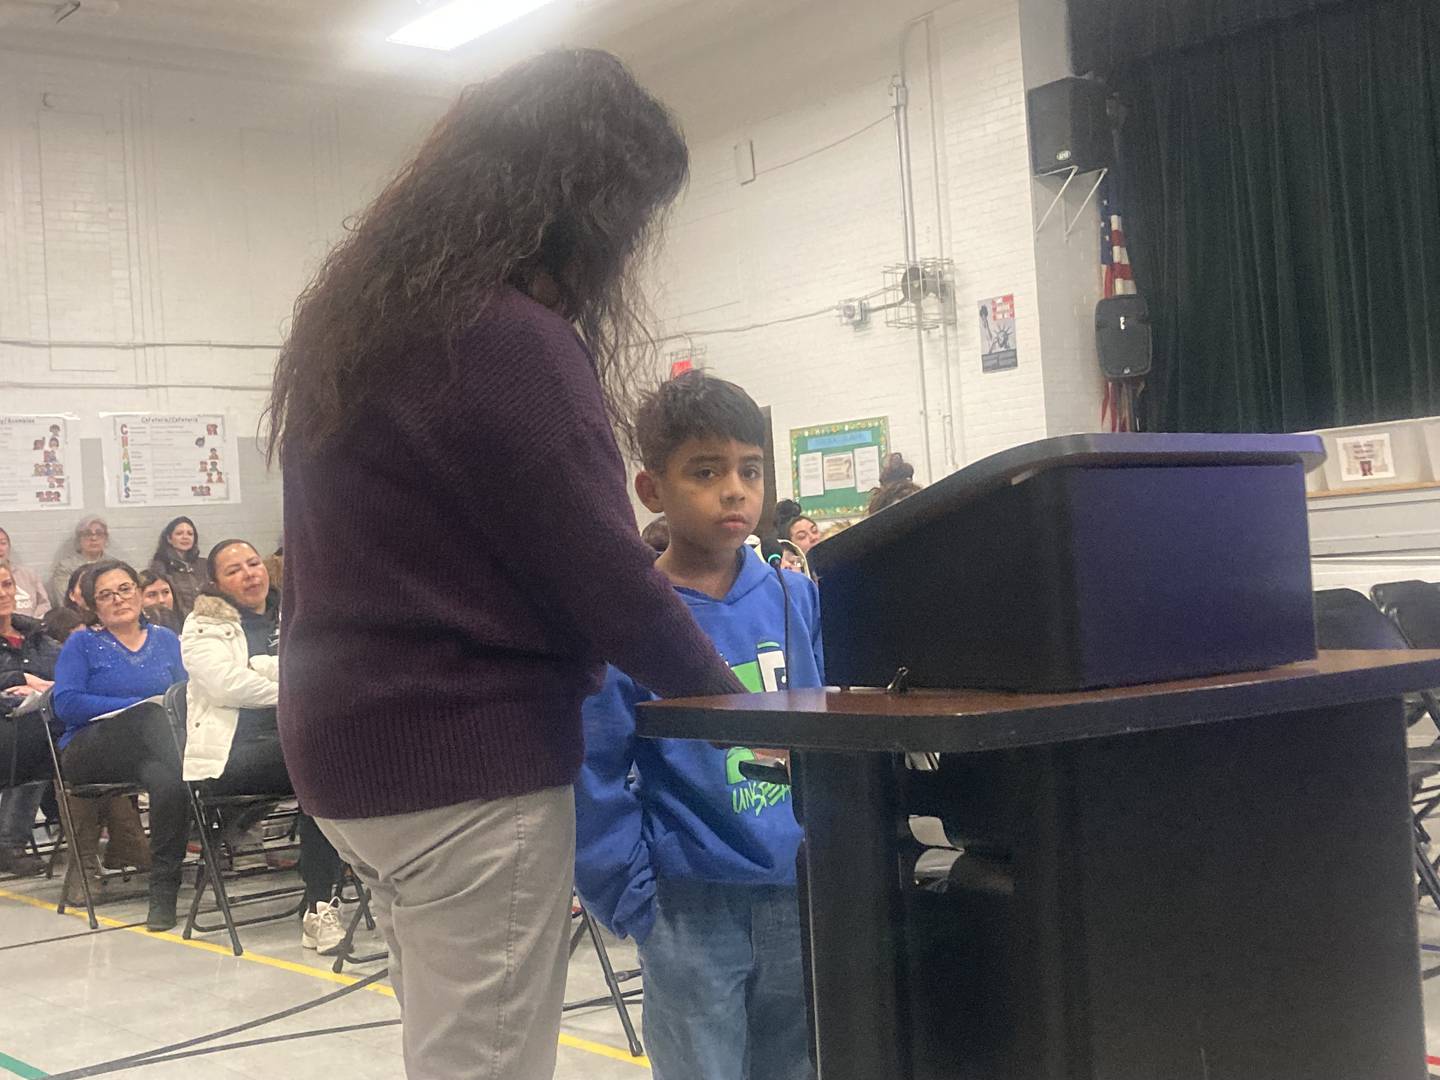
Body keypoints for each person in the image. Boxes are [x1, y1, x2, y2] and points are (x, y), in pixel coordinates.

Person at [266, 49, 743, 1079]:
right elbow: (607, 576)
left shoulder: (353, 325)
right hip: (463, 763)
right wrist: (735, 701)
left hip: (346, 758)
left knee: (448, 1046)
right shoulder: (509, 339)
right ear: (584, 203)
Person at [575, 372, 823, 1080]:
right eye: (705, 472)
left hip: (796, 886)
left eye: (751, 469)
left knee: (798, 1065)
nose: (735, 490)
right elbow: (594, 767)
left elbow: (833, 725)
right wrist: (632, 896)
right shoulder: (632, 619)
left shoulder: (794, 594)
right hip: (688, 904)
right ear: (652, 490)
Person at [181, 539, 346, 953]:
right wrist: (291, 685)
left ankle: (363, 889)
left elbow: (328, 665)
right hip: (233, 753)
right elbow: (226, 685)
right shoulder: (203, 625)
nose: (249, 573)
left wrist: (272, 672)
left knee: (340, 759)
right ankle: (320, 907)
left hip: (298, 738)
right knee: (319, 763)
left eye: (253, 563)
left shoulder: (295, 611)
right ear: (216, 583)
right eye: (233, 569)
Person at [51, 560, 189, 930]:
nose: (118, 599)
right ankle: (203, 778)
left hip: (151, 751)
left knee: (169, 784)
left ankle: (164, 893)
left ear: (141, 594)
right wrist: (133, 709)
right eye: (106, 595)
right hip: (91, 750)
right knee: (151, 717)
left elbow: (187, 694)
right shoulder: (83, 643)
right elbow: (65, 703)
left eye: (125, 589)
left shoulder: (166, 640)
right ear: (95, 607)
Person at [0, 561, 61, 877]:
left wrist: (47, 688)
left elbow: (66, 675)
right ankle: (9, 844)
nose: (3, 594)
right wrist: (15, 678)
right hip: (14, 731)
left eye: (7, 585)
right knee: (33, 740)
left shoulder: (38, 636)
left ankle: (113, 837)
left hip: (46, 722)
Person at [149, 516, 209, 617]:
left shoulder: (204, 565)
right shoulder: (160, 566)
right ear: (169, 538)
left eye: (190, 534)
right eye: (179, 533)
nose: (185, 537)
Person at [50, 515, 113, 605]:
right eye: (87, 534)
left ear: (106, 538)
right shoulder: (66, 567)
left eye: (99, 533)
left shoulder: (114, 564)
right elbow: (65, 599)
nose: (93, 538)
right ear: (79, 539)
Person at [0, 526, 51, 618]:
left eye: (3, 543)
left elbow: (44, 604)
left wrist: (32, 625)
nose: (0, 548)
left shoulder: (28, 574)